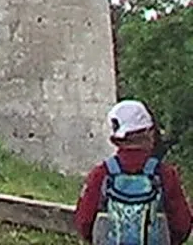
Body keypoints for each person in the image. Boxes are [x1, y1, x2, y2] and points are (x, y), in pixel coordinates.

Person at [75, 99, 192, 244]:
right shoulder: (165, 175)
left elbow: (84, 224)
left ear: (116, 140)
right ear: (149, 133)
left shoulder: (101, 175)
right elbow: (182, 226)